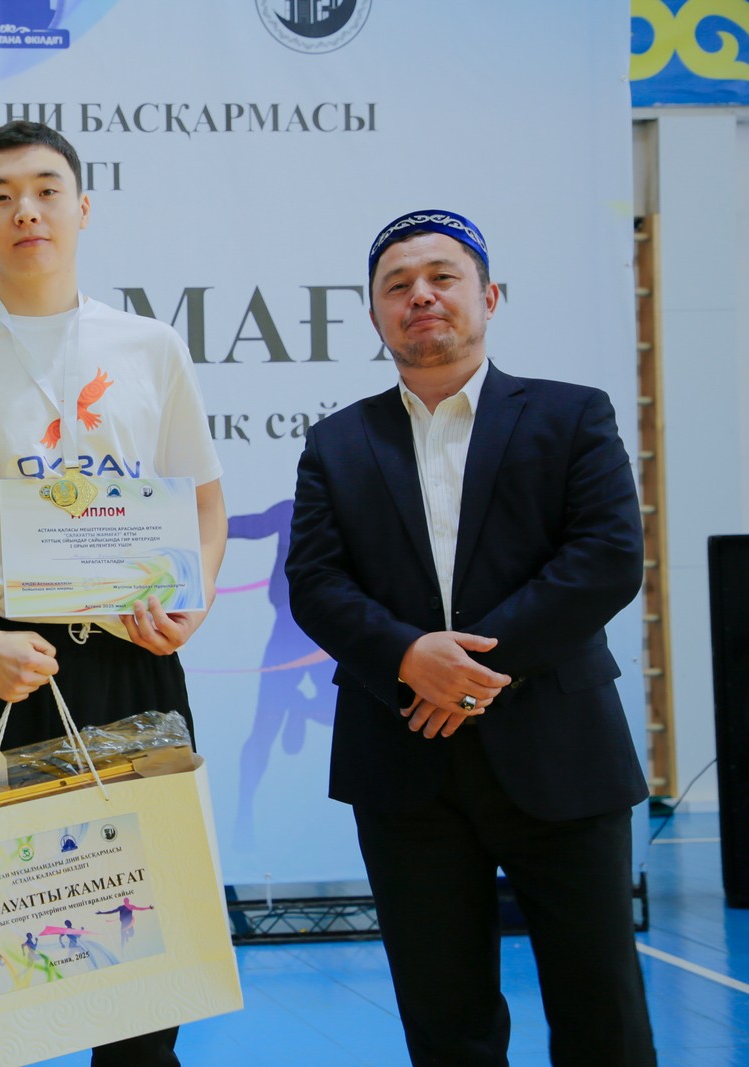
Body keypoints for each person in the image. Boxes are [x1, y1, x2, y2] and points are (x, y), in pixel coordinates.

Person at [0, 120, 225, 1067]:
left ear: (83, 207)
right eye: (0, 195)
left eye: (45, 189)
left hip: (133, 658)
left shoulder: (150, 347)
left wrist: (191, 605)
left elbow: (205, 508)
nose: (25, 209)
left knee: (145, 960)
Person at [285, 209, 655, 1066]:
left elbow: (605, 560)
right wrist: (409, 658)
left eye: (442, 277)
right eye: (397, 285)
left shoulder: (571, 415)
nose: (420, 295)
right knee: (445, 1023)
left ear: (488, 297)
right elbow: (317, 583)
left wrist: (466, 668)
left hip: (560, 750)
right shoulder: (337, 442)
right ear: (375, 314)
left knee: (601, 1010)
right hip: (403, 759)